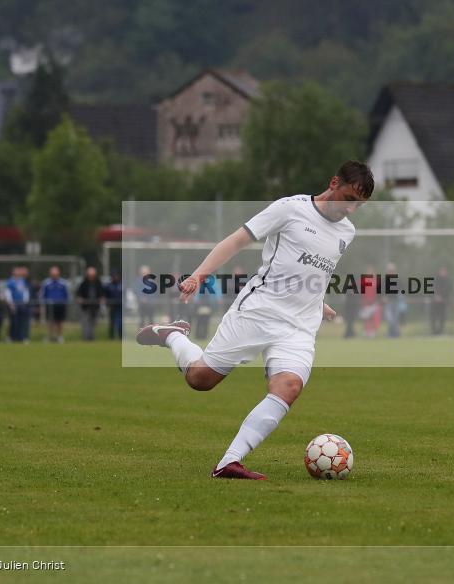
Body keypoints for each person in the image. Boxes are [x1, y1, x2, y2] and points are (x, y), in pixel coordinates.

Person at [136, 160, 373, 480]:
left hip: (299, 327)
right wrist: (198, 276)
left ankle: (229, 462)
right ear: (333, 183)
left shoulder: (347, 231)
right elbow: (236, 241)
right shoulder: (289, 209)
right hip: (258, 311)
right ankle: (173, 335)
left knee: (288, 386)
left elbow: (313, 271)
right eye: (349, 199)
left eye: (359, 205)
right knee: (200, 379)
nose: (351, 210)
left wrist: (320, 304)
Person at [40, 266, 69, 343]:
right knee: (50, 322)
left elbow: (66, 294)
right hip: (49, 305)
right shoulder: (46, 283)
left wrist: (65, 302)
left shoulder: (63, 283)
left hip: (60, 305)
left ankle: (60, 336)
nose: (54, 276)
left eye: (55, 274)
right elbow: (43, 295)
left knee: (60, 321)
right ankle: (50, 336)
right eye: (53, 274)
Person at [76, 267, 104, 341]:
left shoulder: (98, 283)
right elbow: (79, 293)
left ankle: (92, 337)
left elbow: (102, 293)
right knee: (85, 322)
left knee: (94, 323)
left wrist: (101, 298)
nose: (91, 277)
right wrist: (80, 299)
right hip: (85, 307)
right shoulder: (83, 283)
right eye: (90, 275)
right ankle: (85, 338)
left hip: (95, 306)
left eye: (92, 275)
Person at [5, 266, 31, 343]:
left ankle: (23, 337)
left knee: (22, 322)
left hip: (22, 304)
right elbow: (8, 293)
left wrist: (25, 302)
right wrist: (10, 303)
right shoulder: (10, 282)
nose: (18, 273)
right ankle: (12, 337)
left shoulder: (23, 281)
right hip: (13, 304)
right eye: (16, 272)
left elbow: (26, 292)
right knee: (13, 322)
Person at [430, 266, 451, 335]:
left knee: (442, 318)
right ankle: (434, 332)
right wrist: (436, 296)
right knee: (433, 317)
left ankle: (440, 332)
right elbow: (432, 289)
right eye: (441, 271)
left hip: (443, 302)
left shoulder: (447, 281)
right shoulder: (435, 280)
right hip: (435, 302)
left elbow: (448, 290)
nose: (442, 273)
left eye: (444, 271)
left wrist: (443, 297)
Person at [105, 269, 123, 340]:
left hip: (120, 306)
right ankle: (111, 337)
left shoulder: (121, 285)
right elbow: (106, 295)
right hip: (112, 306)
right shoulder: (109, 286)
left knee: (120, 322)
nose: (115, 277)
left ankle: (121, 336)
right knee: (112, 322)